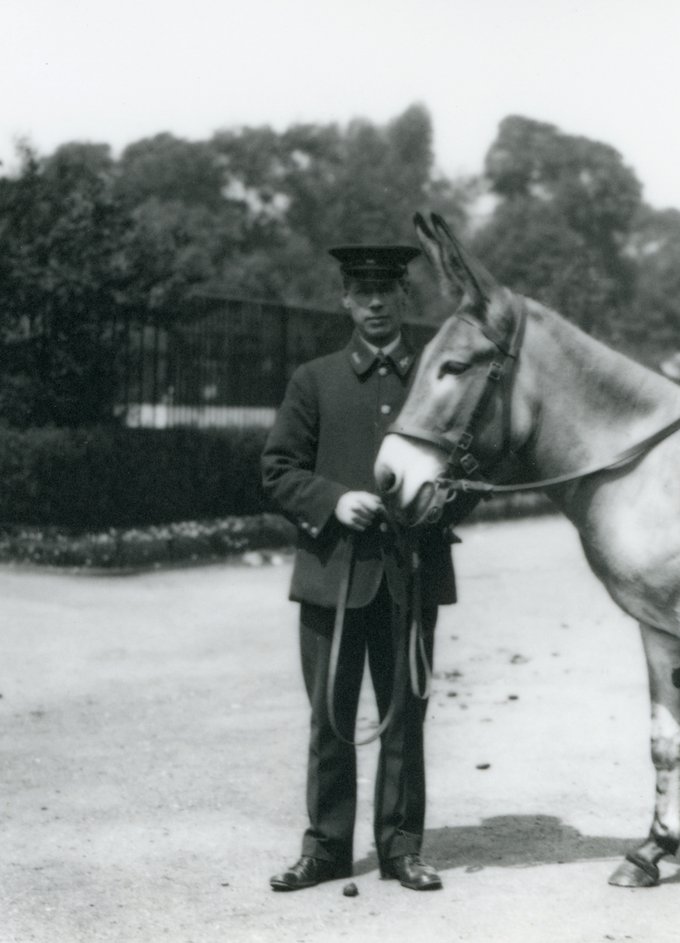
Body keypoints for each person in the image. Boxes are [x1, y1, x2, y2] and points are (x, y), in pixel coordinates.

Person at [261, 245, 461, 893]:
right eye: (359, 290)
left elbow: (471, 470)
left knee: (405, 714)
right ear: (345, 300)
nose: (374, 302)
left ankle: (402, 847)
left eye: (386, 290)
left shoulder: (437, 379)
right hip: (333, 574)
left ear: (404, 297)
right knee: (331, 714)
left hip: (410, 573)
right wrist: (334, 499)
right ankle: (325, 849)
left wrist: (440, 498)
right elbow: (278, 470)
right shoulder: (314, 380)